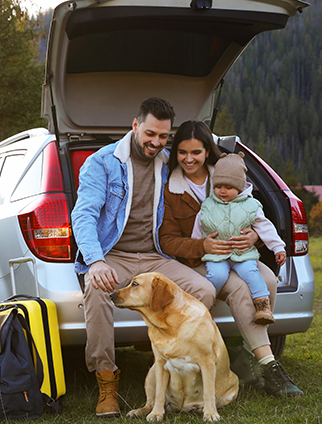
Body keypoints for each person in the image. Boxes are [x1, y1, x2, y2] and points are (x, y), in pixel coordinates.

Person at [72, 98, 227, 418]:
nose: (156, 142)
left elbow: (208, 170)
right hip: (113, 253)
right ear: (135, 126)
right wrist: (96, 260)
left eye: (163, 136)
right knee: (98, 288)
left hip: (156, 255)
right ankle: (107, 384)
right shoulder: (102, 162)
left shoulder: (169, 161)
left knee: (204, 291)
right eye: (150, 134)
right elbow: (84, 215)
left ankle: (182, 367)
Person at [159, 120, 303, 398]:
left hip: (238, 253)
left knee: (269, 279)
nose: (189, 159)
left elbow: (255, 216)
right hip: (199, 261)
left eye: (197, 152)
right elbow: (166, 240)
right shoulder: (170, 189)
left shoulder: (228, 174)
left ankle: (248, 360)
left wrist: (254, 239)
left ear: (207, 152)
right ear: (175, 152)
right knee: (240, 290)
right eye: (182, 152)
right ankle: (268, 365)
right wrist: (202, 245)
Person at [192, 152, 287, 325]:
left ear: (240, 187)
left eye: (228, 187)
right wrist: (196, 249)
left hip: (243, 254)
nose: (222, 191)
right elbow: (198, 230)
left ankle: (263, 306)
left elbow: (265, 228)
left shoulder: (251, 206)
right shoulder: (207, 206)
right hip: (217, 255)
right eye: (218, 186)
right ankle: (207, 305)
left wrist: (278, 247)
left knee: (251, 273)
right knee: (217, 276)